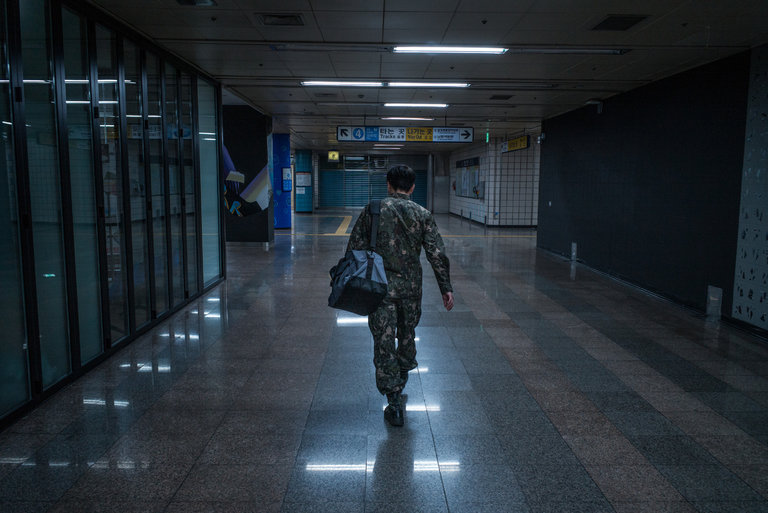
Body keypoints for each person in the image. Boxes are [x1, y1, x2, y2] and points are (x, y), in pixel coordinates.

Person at [346, 164, 454, 427]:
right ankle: (401, 381)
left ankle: (393, 401)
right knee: (406, 336)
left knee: (383, 342)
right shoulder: (423, 214)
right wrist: (446, 288)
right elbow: (436, 254)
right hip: (410, 291)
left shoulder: (373, 209)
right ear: (412, 187)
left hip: (378, 290)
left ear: (388, 184)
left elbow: (354, 249)